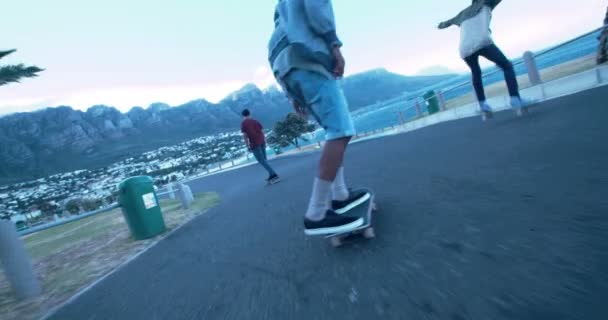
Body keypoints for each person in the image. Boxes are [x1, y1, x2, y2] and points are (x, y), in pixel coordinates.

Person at [268, 0, 370, 235]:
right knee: (341, 131)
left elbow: (275, 44)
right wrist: (335, 45)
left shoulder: (281, 10)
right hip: (308, 59)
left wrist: (290, 93)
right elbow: (317, 9)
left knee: (333, 131)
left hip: (288, 68)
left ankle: (340, 195)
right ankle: (317, 212)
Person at [438, 0, 530, 120]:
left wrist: (440, 25)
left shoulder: (462, 14)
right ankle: (515, 99)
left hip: (464, 49)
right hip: (482, 42)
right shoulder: (486, 3)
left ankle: (483, 106)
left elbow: (445, 23)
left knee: (476, 73)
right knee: (507, 66)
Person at [241, 109, 280, 184]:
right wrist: (264, 141)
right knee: (264, 159)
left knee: (261, 160)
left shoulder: (244, 123)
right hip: (261, 140)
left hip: (254, 143)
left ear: (243, 115)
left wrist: (247, 146)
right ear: (250, 113)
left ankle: (274, 175)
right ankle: (271, 174)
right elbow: (262, 131)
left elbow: (245, 136)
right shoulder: (255, 121)